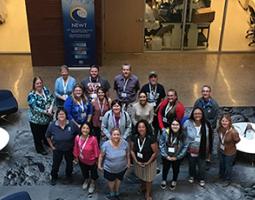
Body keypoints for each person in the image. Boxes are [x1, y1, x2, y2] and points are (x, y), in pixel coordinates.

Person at [46, 108, 80, 185]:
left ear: (66, 115)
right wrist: (52, 146)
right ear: (57, 116)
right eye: (59, 114)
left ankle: (69, 176)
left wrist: (76, 146)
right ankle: (54, 177)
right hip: (57, 149)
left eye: (63, 114)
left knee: (69, 164)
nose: (61, 115)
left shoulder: (71, 124)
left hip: (69, 149)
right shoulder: (52, 125)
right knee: (56, 164)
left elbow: (78, 134)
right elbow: (47, 136)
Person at [183, 107, 213, 187]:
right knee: (191, 164)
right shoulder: (187, 123)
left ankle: (202, 178)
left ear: (202, 114)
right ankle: (192, 175)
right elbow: (183, 133)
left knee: (202, 165)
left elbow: (210, 138)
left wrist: (209, 152)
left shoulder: (207, 124)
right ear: (192, 114)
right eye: (195, 113)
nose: (197, 115)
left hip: (202, 149)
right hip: (191, 149)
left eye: (199, 113)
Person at [98, 128, 130, 200]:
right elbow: (101, 155)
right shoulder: (105, 145)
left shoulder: (125, 143)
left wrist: (128, 162)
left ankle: (117, 192)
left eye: (118, 134)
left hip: (122, 168)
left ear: (120, 135)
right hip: (109, 169)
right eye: (114, 134)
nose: (116, 136)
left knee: (118, 180)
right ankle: (112, 192)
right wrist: (99, 165)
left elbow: (127, 153)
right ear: (111, 135)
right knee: (111, 181)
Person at [131, 120, 158, 200]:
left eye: (143, 127)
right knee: (141, 176)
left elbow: (155, 152)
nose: (141, 129)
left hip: (149, 163)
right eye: (139, 127)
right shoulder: (134, 137)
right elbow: (132, 150)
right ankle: (143, 187)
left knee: (148, 179)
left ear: (146, 128)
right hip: (138, 162)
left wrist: (148, 162)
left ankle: (148, 193)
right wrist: (136, 161)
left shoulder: (151, 138)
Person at [27, 76, 54, 155]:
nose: (39, 85)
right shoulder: (31, 95)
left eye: (40, 83)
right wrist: (46, 112)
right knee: (37, 136)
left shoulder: (45, 89)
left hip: (46, 119)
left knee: (45, 132)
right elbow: (35, 108)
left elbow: (52, 98)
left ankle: (45, 141)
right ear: (34, 84)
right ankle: (39, 149)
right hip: (36, 120)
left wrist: (51, 108)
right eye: (37, 83)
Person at [194, 85, 219, 165]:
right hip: (199, 125)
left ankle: (208, 158)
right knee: (199, 142)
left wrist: (207, 127)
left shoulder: (214, 104)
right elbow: (194, 113)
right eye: (204, 91)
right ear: (202, 92)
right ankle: (199, 156)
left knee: (209, 143)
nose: (205, 93)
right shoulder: (198, 102)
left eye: (207, 91)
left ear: (210, 92)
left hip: (209, 127)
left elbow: (214, 118)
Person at [159, 119, 187, 190]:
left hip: (176, 157)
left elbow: (185, 146)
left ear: (180, 126)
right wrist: (165, 155)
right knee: (165, 168)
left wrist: (178, 157)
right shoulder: (165, 132)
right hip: (166, 156)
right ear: (170, 125)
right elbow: (161, 144)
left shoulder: (183, 134)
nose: (175, 126)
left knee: (176, 169)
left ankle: (174, 180)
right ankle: (164, 180)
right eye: (173, 124)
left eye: (177, 125)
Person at [73, 123, 100, 195]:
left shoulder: (93, 139)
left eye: (87, 128)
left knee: (93, 173)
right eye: (83, 128)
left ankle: (92, 183)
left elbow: (96, 150)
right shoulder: (77, 137)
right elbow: (76, 148)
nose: (85, 130)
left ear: (90, 130)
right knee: (84, 171)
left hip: (92, 161)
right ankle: (86, 180)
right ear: (81, 129)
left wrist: (97, 160)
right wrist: (76, 157)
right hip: (82, 160)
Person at [140, 71, 166, 137]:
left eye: (155, 77)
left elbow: (162, 100)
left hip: (157, 112)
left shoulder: (160, 87)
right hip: (146, 111)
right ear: (149, 79)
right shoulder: (145, 87)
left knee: (156, 127)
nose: (153, 79)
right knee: (146, 126)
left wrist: (156, 110)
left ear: (157, 78)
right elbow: (141, 99)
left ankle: (155, 140)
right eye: (151, 77)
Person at [217, 113, 240, 187]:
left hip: (230, 152)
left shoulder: (233, 132)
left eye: (226, 121)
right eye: (223, 121)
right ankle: (221, 176)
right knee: (221, 164)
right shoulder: (219, 129)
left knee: (228, 166)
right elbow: (220, 138)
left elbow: (237, 140)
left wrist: (230, 145)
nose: (224, 122)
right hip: (221, 150)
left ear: (229, 122)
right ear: (220, 121)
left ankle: (227, 179)